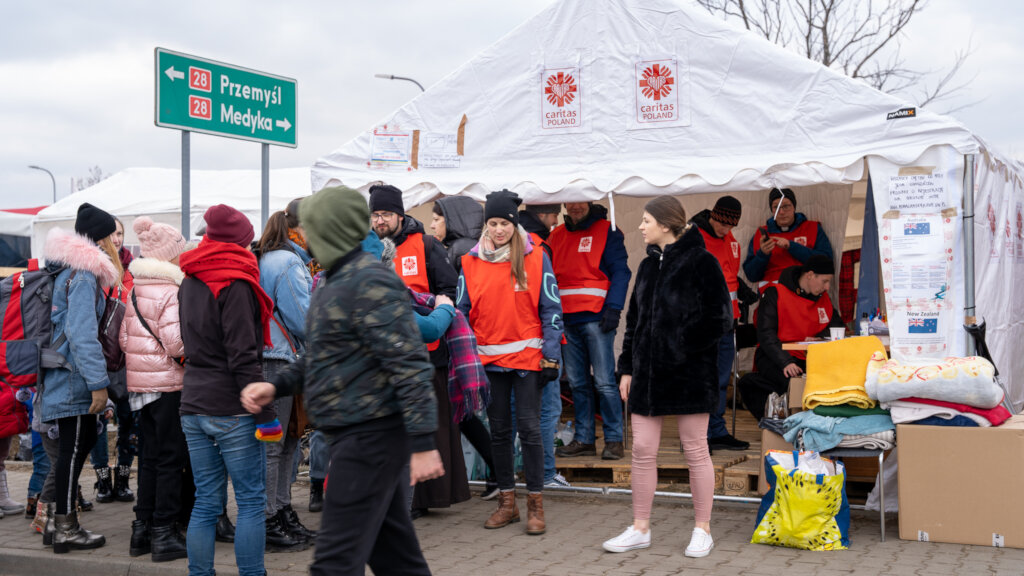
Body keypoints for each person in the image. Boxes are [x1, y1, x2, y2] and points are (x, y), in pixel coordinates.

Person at [240, 185, 444, 576]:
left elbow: (410, 365)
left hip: (372, 436)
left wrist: (422, 444)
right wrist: (276, 385)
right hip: (353, 434)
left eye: (312, 228)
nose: (305, 236)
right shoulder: (333, 281)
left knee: (334, 561)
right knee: (396, 558)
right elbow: (321, 355)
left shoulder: (370, 282)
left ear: (332, 230)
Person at [602, 196, 731, 558]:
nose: (640, 227)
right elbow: (635, 323)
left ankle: (702, 529)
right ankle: (640, 527)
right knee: (642, 450)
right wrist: (626, 368)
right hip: (646, 375)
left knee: (695, 449)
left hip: (690, 374)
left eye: (646, 221)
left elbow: (721, 318)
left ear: (666, 224)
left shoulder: (702, 262)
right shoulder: (646, 267)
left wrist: (679, 344)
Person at [178, 204, 278, 576]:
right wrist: (266, 416)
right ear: (240, 241)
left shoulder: (190, 278)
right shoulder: (236, 282)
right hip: (233, 407)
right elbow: (243, 357)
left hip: (194, 404)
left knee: (206, 502)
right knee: (251, 501)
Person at [457, 190, 563, 535]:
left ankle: (536, 504)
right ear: (485, 225)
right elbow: (462, 312)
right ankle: (507, 503)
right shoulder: (470, 261)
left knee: (530, 431)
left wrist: (551, 354)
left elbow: (550, 307)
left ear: (513, 223)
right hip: (490, 362)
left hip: (528, 360)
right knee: (500, 433)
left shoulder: (535, 256)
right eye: (493, 223)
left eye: (504, 223)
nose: (498, 230)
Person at [369, 184, 468, 518]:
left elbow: (449, 289)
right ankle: (401, 499)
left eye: (385, 214)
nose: (379, 221)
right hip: (386, 355)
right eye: (375, 215)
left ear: (400, 215)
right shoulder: (368, 247)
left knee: (431, 423)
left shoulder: (426, 244)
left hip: (428, 349)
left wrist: (430, 310)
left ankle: (427, 498)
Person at [39, 202, 121, 553]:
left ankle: (56, 525)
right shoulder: (84, 276)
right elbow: (82, 334)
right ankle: (65, 528)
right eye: (112, 237)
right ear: (101, 240)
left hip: (64, 374)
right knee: (72, 453)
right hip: (73, 378)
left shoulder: (66, 272)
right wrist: (98, 384)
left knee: (76, 447)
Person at [118, 216, 189, 562]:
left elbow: (122, 339)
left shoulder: (136, 289)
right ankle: (164, 533)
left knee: (147, 458)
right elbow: (177, 345)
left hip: (139, 388)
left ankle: (141, 531)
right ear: (169, 255)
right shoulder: (171, 291)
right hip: (167, 386)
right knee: (170, 459)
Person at [254, 206, 316, 551]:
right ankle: (270, 518)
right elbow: (304, 321)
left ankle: (280, 512)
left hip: (275, 359)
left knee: (284, 442)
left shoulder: (272, 258)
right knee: (277, 446)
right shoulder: (288, 263)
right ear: (297, 229)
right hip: (277, 361)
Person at [550, 201, 631, 460]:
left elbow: (621, 272)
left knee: (605, 382)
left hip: (597, 318)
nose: (575, 206)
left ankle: (614, 439)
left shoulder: (608, 230)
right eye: (570, 201)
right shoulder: (556, 236)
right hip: (566, 320)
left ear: (590, 201)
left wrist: (614, 308)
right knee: (577, 383)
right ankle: (584, 439)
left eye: (580, 200)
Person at [430, 197, 499, 499]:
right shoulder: (472, 246)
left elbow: (457, 301)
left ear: (453, 220)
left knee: (462, 412)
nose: (432, 225)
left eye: (438, 219)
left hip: (455, 339)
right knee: (464, 412)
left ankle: (497, 472)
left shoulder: (456, 251)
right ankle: (497, 473)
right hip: (471, 338)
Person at [737, 254, 844, 421]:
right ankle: (783, 423)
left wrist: (820, 337)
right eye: (825, 281)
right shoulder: (775, 294)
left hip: (809, 357)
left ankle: (810, 422)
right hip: (775, 356)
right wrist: (785, 362)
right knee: (791, 384)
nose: (828, 287)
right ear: (810, 275)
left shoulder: (823, 299)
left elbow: (837, 327)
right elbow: (766, 334)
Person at [689, 196, 754, 452]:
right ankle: (698, 434)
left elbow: (727, 277)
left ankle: (716, 431)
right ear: (714, 215)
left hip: (728, 322)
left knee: (719, 380)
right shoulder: (693, 237)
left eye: (731, 226)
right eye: (722, 223)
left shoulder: (732, 242)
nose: (725, 229)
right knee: (702, 379)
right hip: (703, 322)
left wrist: (742, 291)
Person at [518, 203, 570, 487]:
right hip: (541, 341)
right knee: (547, 410)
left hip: (515, 344)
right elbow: (549, 301)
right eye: (553, 213)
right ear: (542, 214)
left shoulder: (505, 245)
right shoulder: (537, 246)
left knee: (518, 412)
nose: (556, 220)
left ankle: (522, 471)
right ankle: (545, 473)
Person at [89, 215, 137, 505]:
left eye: (120, 233)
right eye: (112, 233)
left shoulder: (132, 268)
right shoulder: (91, 269)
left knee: (129, 421)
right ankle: (102, 481)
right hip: (99, 357)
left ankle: (123, 479)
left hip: (129, 359)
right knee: (97, 422)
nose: (116, 239)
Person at [742, 187, 834, 291]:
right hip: (772, 298)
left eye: (786, 206)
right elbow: (751, 276)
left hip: (805, 296)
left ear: (794, 207)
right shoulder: (761, 235)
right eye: (776, 207)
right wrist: (762, 255)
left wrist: (792, 246)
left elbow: (827, 264)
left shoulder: (812, 229)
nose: (781, 212)